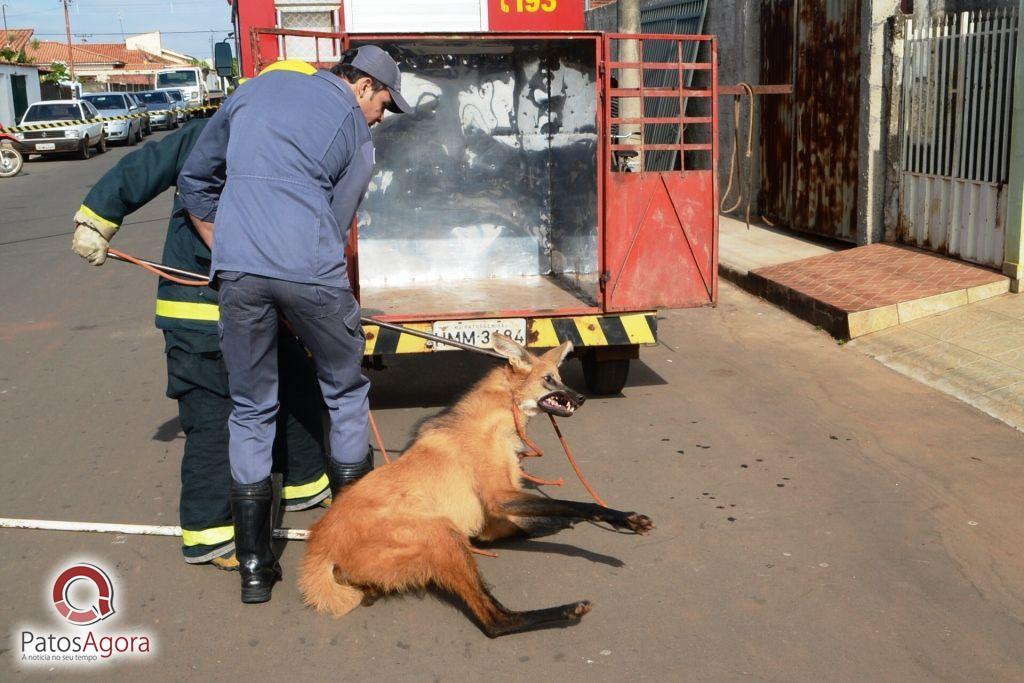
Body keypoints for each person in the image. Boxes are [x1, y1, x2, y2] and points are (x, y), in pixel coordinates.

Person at [70, 59, 331, 571]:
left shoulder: (284, 144)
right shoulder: (210, 134)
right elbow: (140, 168)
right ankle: (210, 533)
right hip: (201, 311)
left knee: (297, 384)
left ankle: (304, 483)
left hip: (262, 306)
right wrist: (96, 219)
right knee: (214, 417)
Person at [177, 45, 411, 604]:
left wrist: (228, 242)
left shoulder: (249, 93)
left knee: (251, 407)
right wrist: (299, 274)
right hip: (309, 270)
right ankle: (353, 550)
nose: (380, 116)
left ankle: (255, 568)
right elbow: (336, 220)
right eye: (383, 103)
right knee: (345, 391)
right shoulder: (355, 132)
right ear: (362, 87)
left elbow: (194, 178)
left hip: (238, 272)